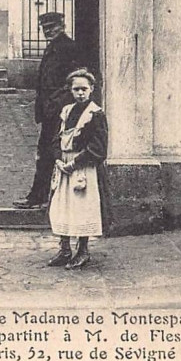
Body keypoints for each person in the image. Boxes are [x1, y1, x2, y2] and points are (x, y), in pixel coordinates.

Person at [13, 12, 82, 208]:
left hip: (61, 112)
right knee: (46, 153)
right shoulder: (52, 48)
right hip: (50, 111)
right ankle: (40, 197)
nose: (48, 31)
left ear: (63, 25)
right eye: (45, 28)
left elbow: (74, 82)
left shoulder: (69, 48)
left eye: (52, 27)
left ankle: (45, 198)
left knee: (56, 154)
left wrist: (57, 104)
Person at [47, 68, 110, 269]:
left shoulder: (96, 114)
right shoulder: (66, 111)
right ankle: (64, 249)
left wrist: (74, 164)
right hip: (64, 166)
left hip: (83, 168)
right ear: (71, 91)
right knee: (61, 206)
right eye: (76, 90)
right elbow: (56, 140)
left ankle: (83, 251)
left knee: (82, 208)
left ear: (91, 89)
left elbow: (98, 148)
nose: (80, 93)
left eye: (84, 89)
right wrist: (58, 160)